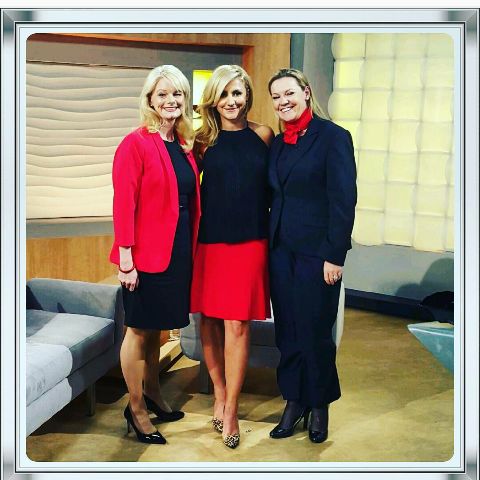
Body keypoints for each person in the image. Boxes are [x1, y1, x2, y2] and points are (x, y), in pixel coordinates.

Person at [109, 65, 201, 444]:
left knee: (156, 330)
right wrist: (126, 259)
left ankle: (154, 395)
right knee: (138, 329)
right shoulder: (135, 143)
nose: (170, 100)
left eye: (177, 94)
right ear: (149, 99)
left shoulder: (182, 144)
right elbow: (124, 202)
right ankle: (135, 409)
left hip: (177, 252)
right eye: (162, 94)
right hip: (143, 256)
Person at [267, 68, 357, 443]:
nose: (283, 101)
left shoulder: (333, 137)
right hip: (280, 252)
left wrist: (335, 255)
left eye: (289, 93)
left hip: (318, 254)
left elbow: (343, 200)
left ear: (305, 92)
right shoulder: (277, 143)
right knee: (287, 330)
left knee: (315, 331)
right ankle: (294, 400)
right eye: (276, 97)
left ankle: (318, 404)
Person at [190, 65, 274, 449]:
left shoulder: (264, 135)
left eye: (237, 93)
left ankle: (232, 409)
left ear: (247, 96)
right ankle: (219, 393)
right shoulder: (202, 141)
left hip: (251, 242)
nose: (231, 101)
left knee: (238, 324)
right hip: (210, 242)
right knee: (208, 319)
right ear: (213, 99)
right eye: (223, 94)